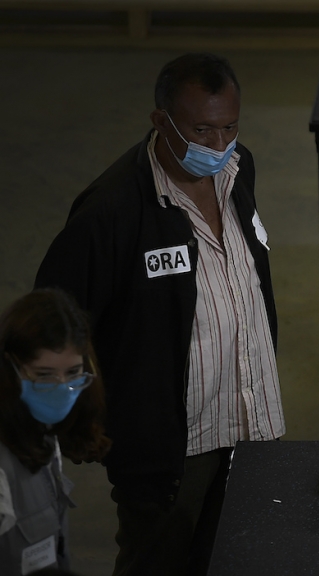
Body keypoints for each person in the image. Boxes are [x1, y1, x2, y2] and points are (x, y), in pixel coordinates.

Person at [34, 53, 284, 575]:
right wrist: (84, 421)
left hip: (251, 427)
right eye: (200, 130)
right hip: (172, 452)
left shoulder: (239, 171)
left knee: (241, 560)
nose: (218, 146)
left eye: (229, 127)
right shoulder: (112, 211)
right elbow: (53, 321)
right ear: (160, 122)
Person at [0, 289, 111, 575]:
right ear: (9, 367)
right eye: (44, 375)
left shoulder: (43, 435)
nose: (61, 388)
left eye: (73, 373)